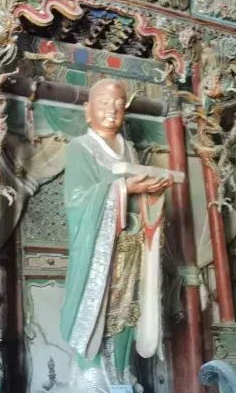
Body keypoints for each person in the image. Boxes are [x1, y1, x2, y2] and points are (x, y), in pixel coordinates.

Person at [60, 79, 173, 391]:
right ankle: (92, 374)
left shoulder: (129, 150)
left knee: (128, 309)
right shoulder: (81, 147)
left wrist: (151, 193)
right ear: (87, 110)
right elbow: (77, 200)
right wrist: (124, 188)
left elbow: (139, 202)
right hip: (98, 250)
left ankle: (122, 372)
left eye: (119, 105)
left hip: (131, 247)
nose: (112, 110)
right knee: (100, 307)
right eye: (103, 104)